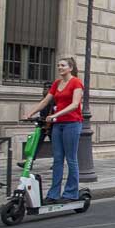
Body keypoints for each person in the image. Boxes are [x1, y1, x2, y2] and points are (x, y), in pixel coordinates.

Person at [23, 58, 84, 203]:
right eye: (58, 65)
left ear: (70, 68)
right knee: (57, 159)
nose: (59, 67)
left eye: (62, 65)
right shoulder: (57, 84)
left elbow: (75, 104)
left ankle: (71, 192)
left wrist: (56, 115)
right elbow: (45, 101)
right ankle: (53, 193)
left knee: (71, 159)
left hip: (72, 123)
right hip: (58, 125)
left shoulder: (76, 82)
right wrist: (30, 113)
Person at [17, 81, 54, 168]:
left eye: (47, 88)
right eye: (44, 88)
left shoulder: (54, 100)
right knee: (35, 143)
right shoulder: (43, 100)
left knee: (55, 145)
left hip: (52, 126)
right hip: (42, 125)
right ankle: (29, 162)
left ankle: (57, 163)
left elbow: (54, 112)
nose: (44, 90)